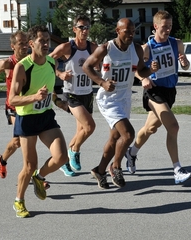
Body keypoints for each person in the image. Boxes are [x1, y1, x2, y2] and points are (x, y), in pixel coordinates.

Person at [82, 18, 158, 189]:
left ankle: (100, 170)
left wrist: (151, 70)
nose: (131, 34)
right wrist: (101, 82)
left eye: (133, 31)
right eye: (127, 31)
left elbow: (141, 70)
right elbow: (87, 66)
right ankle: (115, 167)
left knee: (115, 137)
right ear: (117, 31)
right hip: (108, 100)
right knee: (128, 134)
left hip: (125, 98)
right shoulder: (106, 48)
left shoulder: (136, 49)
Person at [124, 10, 191, 185]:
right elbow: (137, 70)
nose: (168, 30)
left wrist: (185, 63)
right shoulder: (146, 48)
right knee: (173, 127)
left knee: (150, 129)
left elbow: (184, 66)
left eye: (170, 26)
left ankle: (131, 152)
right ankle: (177, 169)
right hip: (154, 91)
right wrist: (144, 78)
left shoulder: (177, 43)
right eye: (164, 27)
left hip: (170, 91)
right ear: (155, 27)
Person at [8, 25, 69, 218]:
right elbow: (12, 99)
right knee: (29, 165)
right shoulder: (22, 67)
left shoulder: (52, 63)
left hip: (45, 115)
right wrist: (34, 97)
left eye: (47, 40)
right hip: (27, 119)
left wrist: (59, 102)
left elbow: (50, 91)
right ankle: (19, 201)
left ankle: (39, 177)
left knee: (61, 157)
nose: (46, 44)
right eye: (42, 41)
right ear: (32, 43)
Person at [49, 14, 98, 177]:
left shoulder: (92, 47)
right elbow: (48, 61)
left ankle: (63, 161)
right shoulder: (66, 48)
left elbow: (102, 64)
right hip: (72, 94)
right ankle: (74, 151)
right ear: (74, 29)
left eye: (88, 27)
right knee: (90, 127)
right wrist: (60, 74)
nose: (85, 30)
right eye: (82, 27)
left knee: (81, 131)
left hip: (87, 93)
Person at [0, 31, 28, 179]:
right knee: (23, 139)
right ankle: (29, 172)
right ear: (13, 46)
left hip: (28, 106)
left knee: (17, 142)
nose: (25, 46)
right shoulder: (7, 63)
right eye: (20, 44)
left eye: (26, 43)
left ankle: (2, 160)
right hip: (13, 107)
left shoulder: (31, 61)